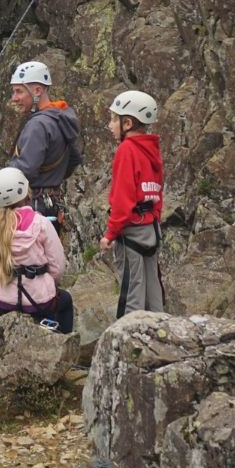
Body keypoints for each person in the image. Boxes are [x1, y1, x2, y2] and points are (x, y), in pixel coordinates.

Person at [0, 61, 81, 233]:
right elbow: (74, 157)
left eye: (19, 91)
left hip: (34, 207)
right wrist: (52, 179)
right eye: (14, 91)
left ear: (37, 90)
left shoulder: (38, 126)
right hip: (52, 205)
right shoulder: (61, 119)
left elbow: (25, 170)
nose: (14, 98)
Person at [0, 167, 74, 334]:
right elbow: (58, 267)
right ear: (25, 191)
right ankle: (64, 344)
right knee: (65, 301)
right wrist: (45, 282)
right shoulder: (41, 223)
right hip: (40, 301)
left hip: (5, 302)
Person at [99, 90, 165, 316]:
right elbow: (157, 191)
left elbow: (122, 197)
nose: (110, 125)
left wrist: (110, 233)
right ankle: (160, 325)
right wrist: (154, 218)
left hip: (132, 231)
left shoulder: (127, 150)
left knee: (133, 290)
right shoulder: (152, 149)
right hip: (151, 228)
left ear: (127, 123)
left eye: (114, 119)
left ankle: (130, 341)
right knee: (152, 287)